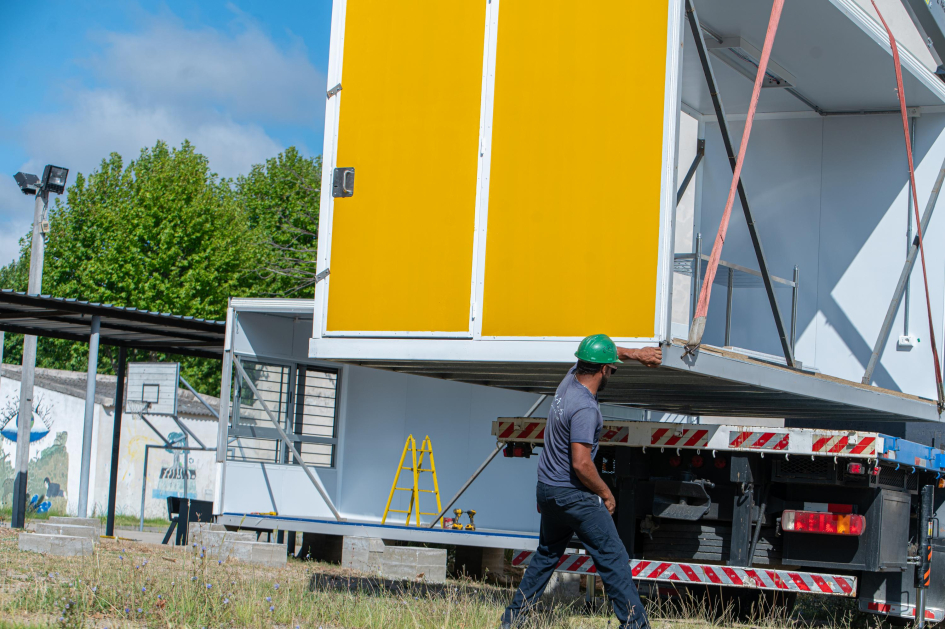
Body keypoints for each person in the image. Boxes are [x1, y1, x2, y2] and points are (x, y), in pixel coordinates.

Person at [501, 334, 661, 629]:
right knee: (613, 559)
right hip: (573, 495)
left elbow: (600, 352)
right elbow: (581, 464)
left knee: (547, 555)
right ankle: (636, 625)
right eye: (612, 368)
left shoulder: (569, 380)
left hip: (548, 490)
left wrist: (637, 353)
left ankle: (512, 620)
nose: (612, 370)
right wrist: (606, 493)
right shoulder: (586, 408)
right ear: (604, 370)